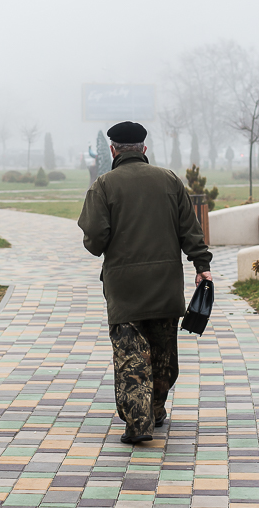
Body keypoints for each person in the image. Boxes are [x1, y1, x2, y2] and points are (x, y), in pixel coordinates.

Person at [77, 121, 212, 444]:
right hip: (165, 284)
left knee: (131, 357)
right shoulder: (169, 180)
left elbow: (95, 240)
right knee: (163, 354)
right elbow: (189, 230)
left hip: (125, 289)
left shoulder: (104, 186)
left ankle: (139, 423)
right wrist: (201, 265)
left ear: (113, 150)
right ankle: (155, 408)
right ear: (144, 149)